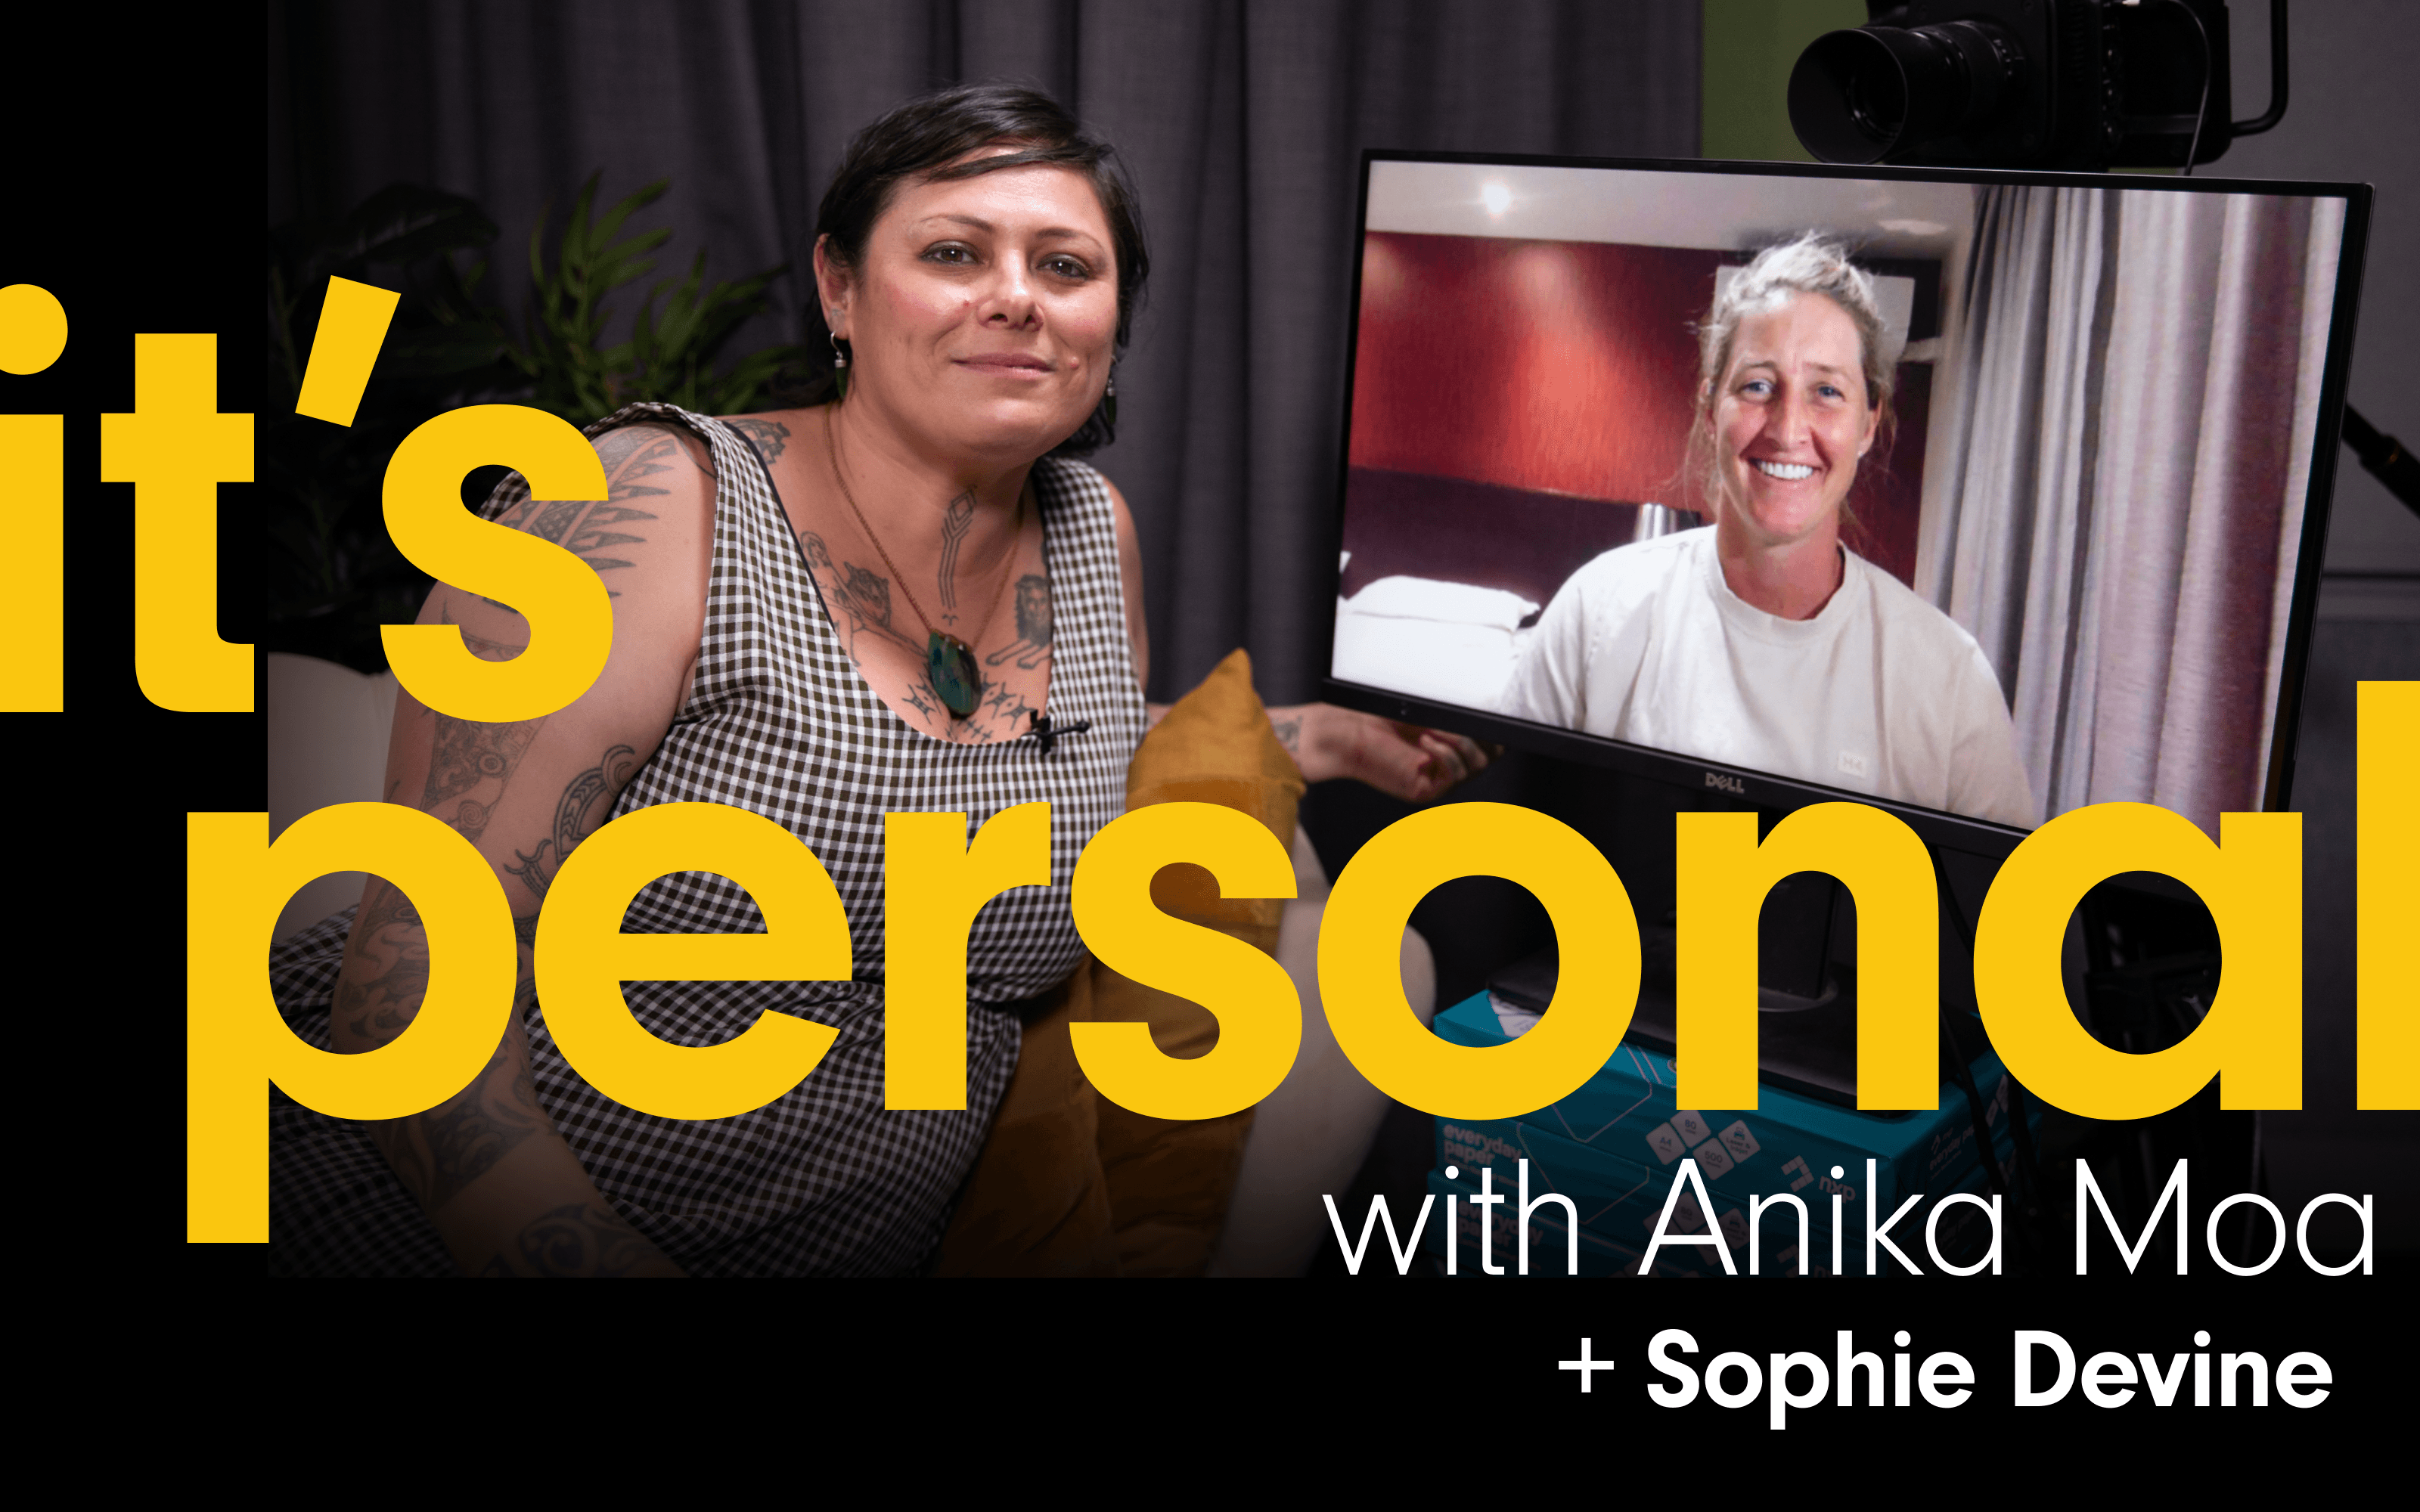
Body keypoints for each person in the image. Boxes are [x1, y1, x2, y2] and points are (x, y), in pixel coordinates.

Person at [267, 83, 1486, 1276]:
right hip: (436, 1216)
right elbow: (401, 998)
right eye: (956, 252)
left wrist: (1308, 735)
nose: (1016, 298)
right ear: (839, 288)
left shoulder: (1091, 530)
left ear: (1112, 325)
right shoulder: (640, 505)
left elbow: (1037, 764)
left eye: (1066, 267)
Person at [1496, 234, 2035, 829]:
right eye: (1757, 386)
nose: (1788, 428)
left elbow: (2002, 914)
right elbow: (1502, 843)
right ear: (1710, 408)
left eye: (1827, 392)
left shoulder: (1949, 680)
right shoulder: (1597, 612)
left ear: (1867, 425)